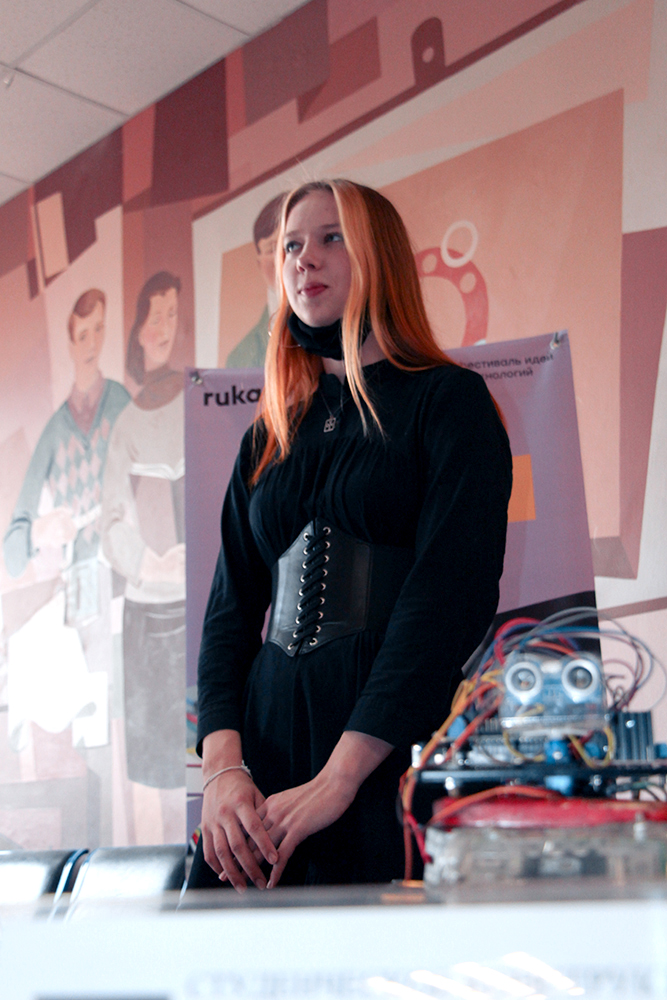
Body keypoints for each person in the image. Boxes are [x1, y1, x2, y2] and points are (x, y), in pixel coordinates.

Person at [192, 180, 512, 891]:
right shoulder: (267, 435)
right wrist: (222, 772)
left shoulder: (447, 402)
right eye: (291, 246)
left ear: (380, 256)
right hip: (261, 760)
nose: (303, 259)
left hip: (387, 747)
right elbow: (229, 615)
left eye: (331, 237)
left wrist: (340, 778)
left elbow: (447, 598)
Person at [101, 271, 186, 806]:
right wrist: (153, 565)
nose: (164, 327)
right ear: (137, 329)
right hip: (148, 619)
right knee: (158, 776)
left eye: (172, 314)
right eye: (155, 316)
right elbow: (110, 526)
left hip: (201, 611)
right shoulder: (127, 425)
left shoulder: (201, 401)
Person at [4, 289, 129, 584]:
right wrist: (39, 531)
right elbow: (11, 557)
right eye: (83, 335)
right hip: (79, 584)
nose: (92, 344)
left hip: (126, 574)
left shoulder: (121, 403)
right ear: (71, 346)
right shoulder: (54, 431)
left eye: (98, 329)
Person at [225, 193, 285, 369]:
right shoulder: (240, 357)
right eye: (272, 249)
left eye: (291, 244)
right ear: (259, 263)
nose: (282, 257)